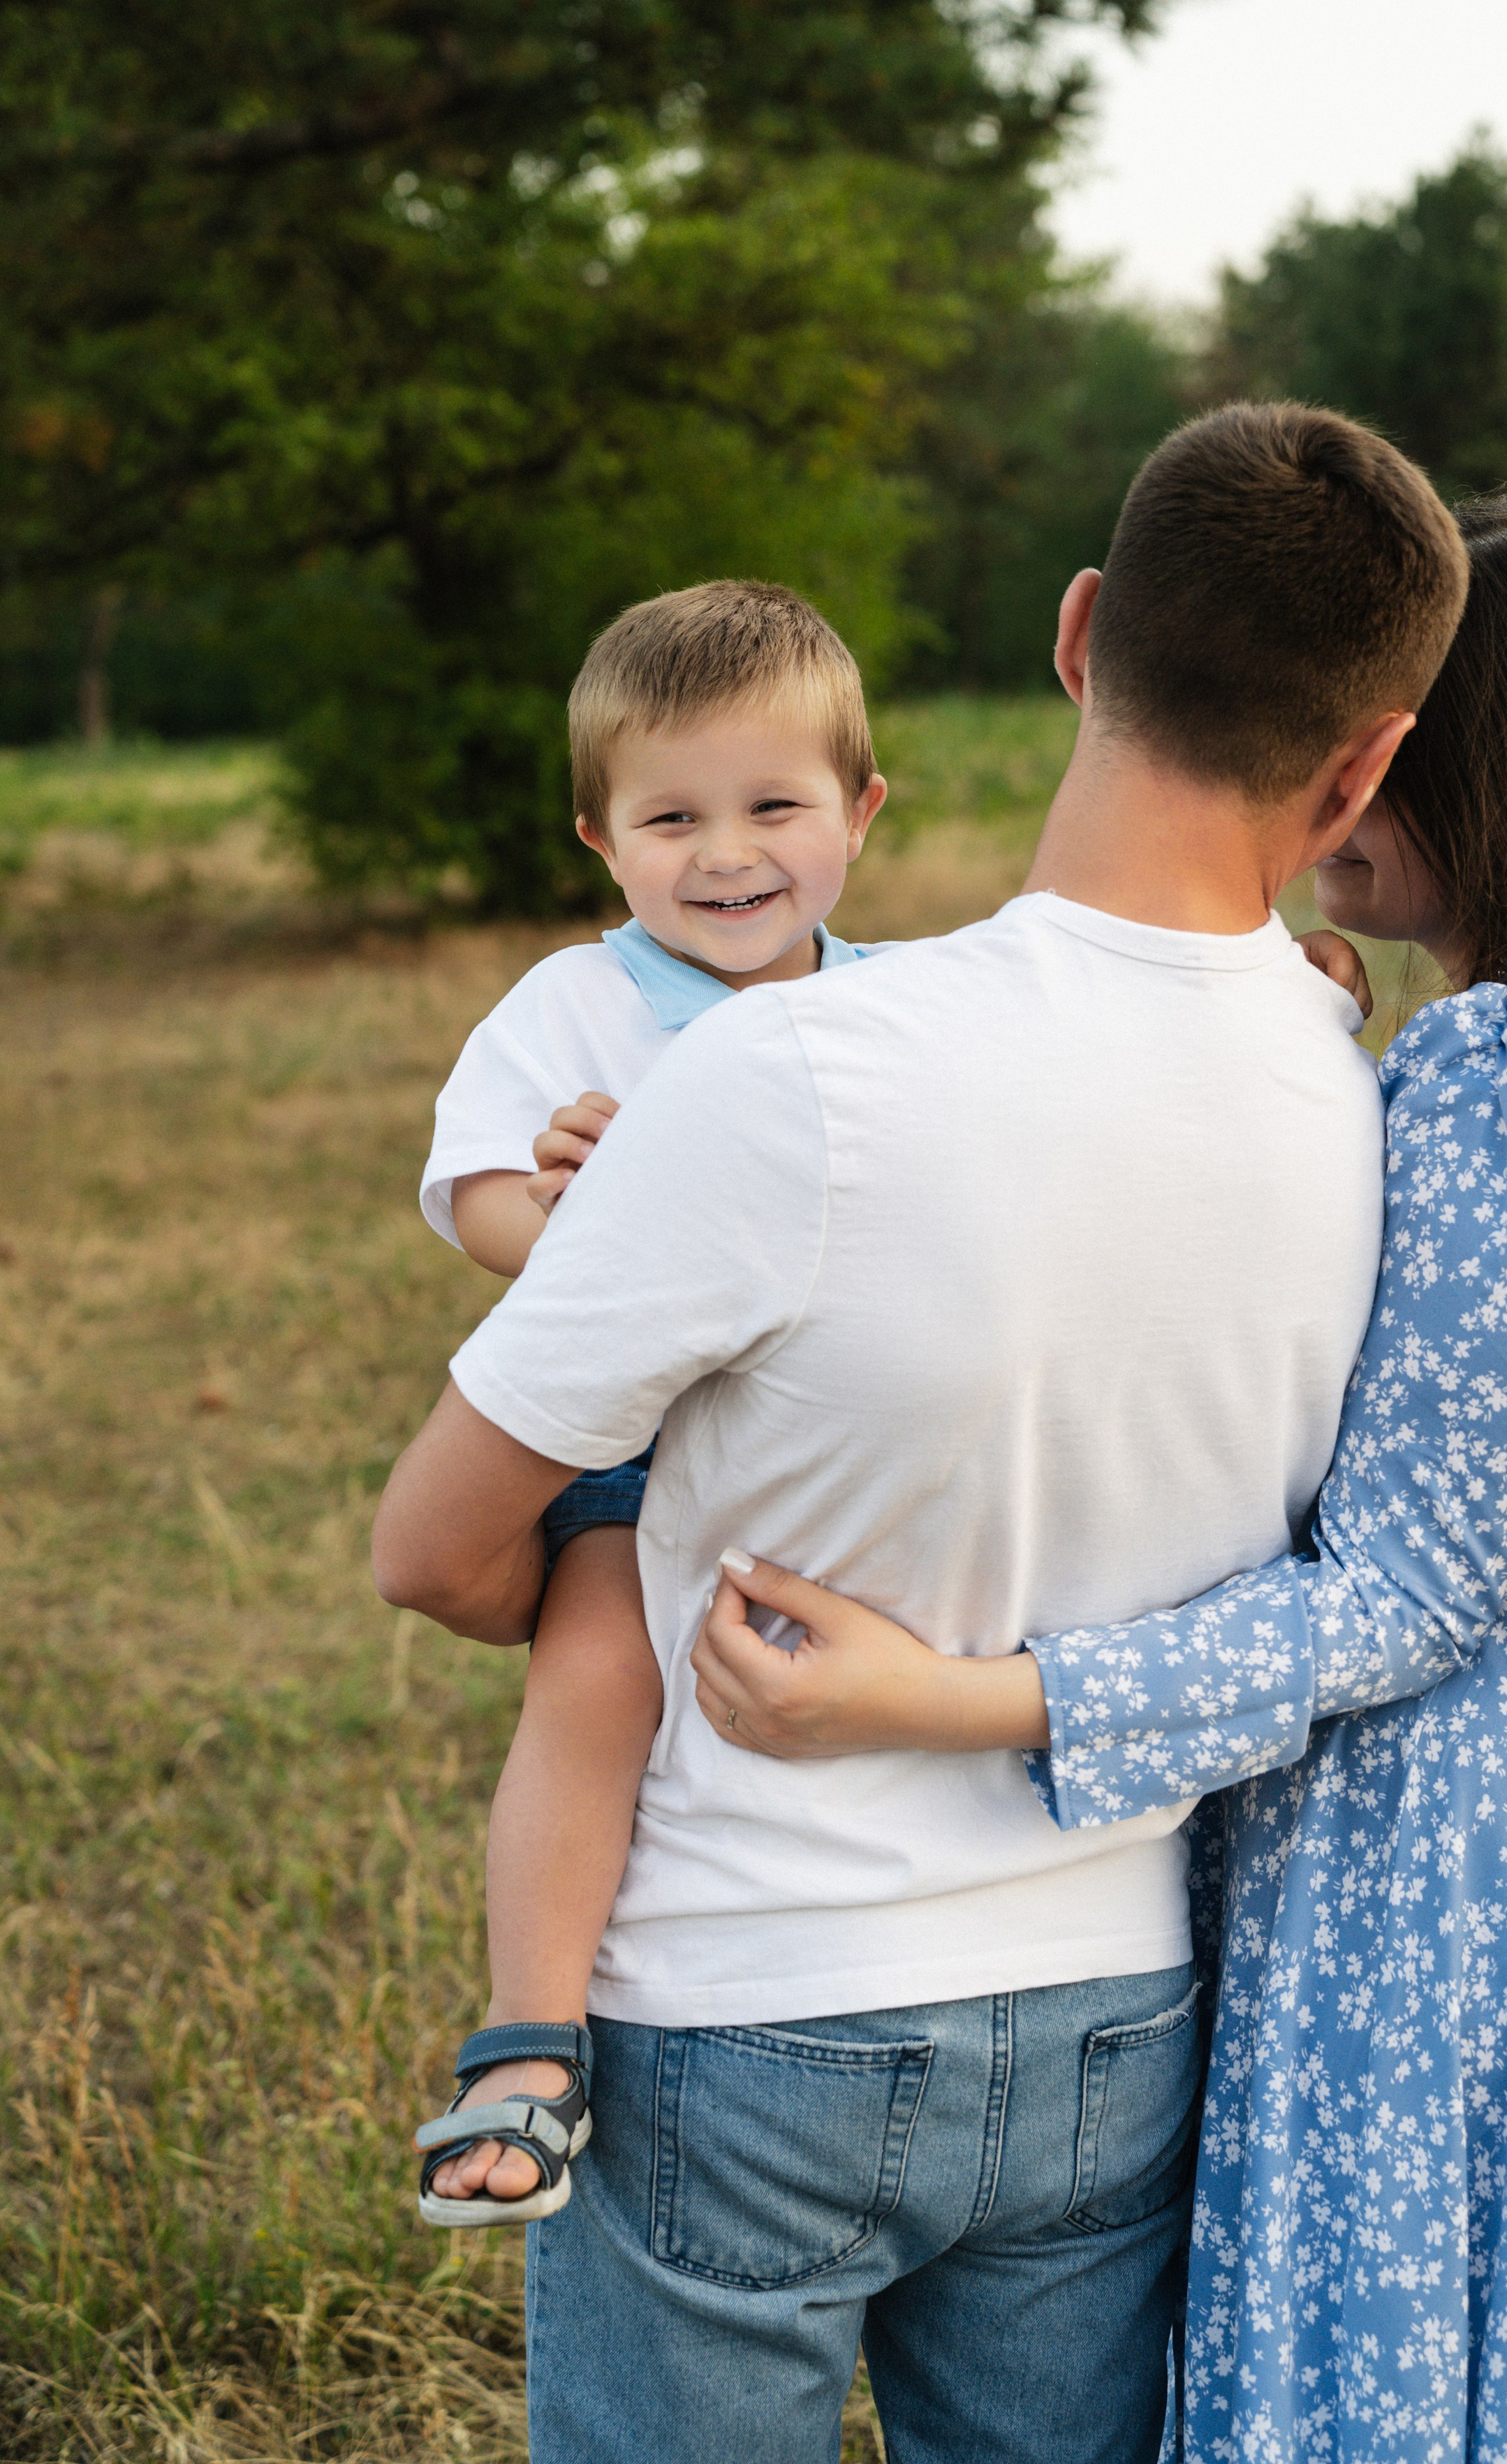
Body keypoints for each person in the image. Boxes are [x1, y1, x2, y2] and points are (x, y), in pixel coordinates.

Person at [371, 401, 1469, 2464]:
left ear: (1078, 634)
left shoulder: (793, 1068)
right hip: (1122, 2010)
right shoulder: (1365, 1092)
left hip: (747, 2005)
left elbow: (427, 1551)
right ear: (1365, 762)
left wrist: (620, 1587)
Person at [695, 499, 1507, 2462]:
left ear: (1477, 762)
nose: (1317, 780)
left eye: (1366, 738)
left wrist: (951, 1696)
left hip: (1452, 1898)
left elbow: (1404, 1592)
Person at [410, 579, 889, 2222]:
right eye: (670, 817)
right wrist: (567, 1209)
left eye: (773, 806)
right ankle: (531, 2042)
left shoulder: (894, 1003)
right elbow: (474, 1191)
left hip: (839, 1445)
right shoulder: (576, 1004)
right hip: (637, 1454)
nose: (724, 853)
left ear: (859, 811)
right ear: (599, 840)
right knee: (597, 1671)